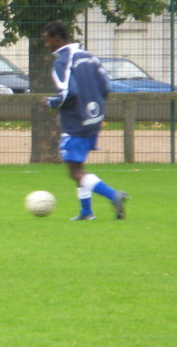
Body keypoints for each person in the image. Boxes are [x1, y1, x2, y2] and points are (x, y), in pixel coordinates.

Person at [43, 20, 129, 221]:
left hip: (76, 121)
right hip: (94, 118)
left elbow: (67, 93)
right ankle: (86, 211)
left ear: (57, 38)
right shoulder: (89, 57)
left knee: (74, 171)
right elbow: (106, 87)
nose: (47, 45)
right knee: (79, 166)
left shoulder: (63, 61)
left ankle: (113, 195)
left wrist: (50, 102)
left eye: (48, 41)